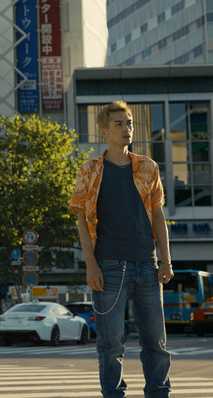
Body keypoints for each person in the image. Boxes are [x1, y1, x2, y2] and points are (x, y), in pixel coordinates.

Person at [70, 101, 174, 398]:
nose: (127, 128)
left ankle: (159, 393)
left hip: (147, 264)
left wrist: (165, 260)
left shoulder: (148, 167)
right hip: (109, 265)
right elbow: (82, 219)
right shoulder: (89, 171)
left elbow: (157, 215)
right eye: (119, 124)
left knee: (156, 342)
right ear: (104, 131)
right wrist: (91, 264)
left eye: (129, 123)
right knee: (111, 343)